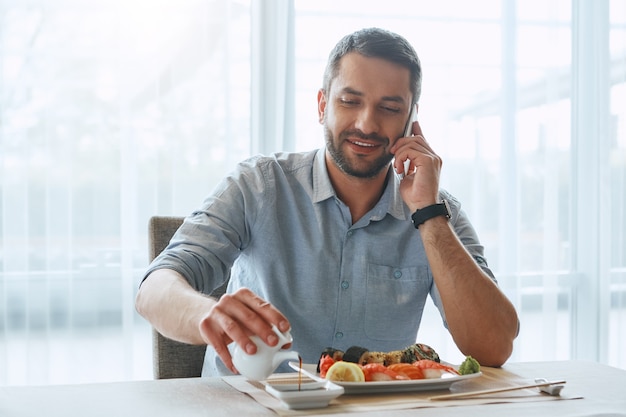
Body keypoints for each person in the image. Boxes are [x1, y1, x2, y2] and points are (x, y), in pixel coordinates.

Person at [136, 27, 519, 376]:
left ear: (411, 121)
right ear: (323, 105)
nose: (367, 124)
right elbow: (153, 290)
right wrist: (210, 313)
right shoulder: (259, 185)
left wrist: (429, 215)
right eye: (350, 101)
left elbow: (494, 346)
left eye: (389, 108)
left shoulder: (436, 208)